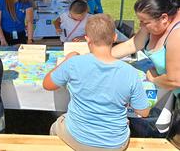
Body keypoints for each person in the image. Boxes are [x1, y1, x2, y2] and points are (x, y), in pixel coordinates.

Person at [43, 14, 150, 150]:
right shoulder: (130, 72)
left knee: (56, 125)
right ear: (115, 38)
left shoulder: (74, 63)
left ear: (87, 39)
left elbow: (47, 84)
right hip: (115, 143)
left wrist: (67, 60)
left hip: (77, 137)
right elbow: (144, 112)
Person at [112, 0, 180, 137]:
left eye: (145, 22)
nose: (142, 25)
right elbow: (133, 45)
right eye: (140, 21)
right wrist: (101, 56)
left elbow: (175, 80)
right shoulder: (156, 22)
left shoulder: (177, 35)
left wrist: (154, 78)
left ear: (164, 18)